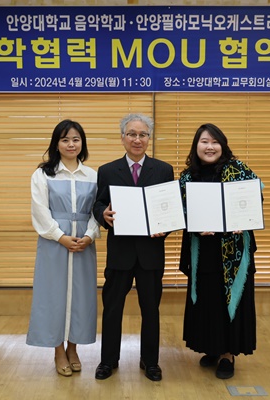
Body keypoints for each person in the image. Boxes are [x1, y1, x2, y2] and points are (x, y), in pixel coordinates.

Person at [92, 113, 174, 382]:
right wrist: (103, 214)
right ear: (122, 138)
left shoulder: (163, 170)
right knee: (112, 308)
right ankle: (108, 360)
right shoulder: (107, 170)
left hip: (151, 252)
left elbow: (170, 208)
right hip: (120, 252)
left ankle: (150, 361)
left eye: (142, 134)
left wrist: (166, 227)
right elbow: (98, 203)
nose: (137, 139)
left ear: (149, 138)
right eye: (132, 134)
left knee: (151, 310)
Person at [178, 123, 261, 380]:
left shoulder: (238, 169)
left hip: (233, 251)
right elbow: (180, 211)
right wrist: (193, 225)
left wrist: (242, 220)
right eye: (204, 141)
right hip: (202, 249)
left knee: (229, 301)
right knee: (208, 300)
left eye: (215, 142)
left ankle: (227, 354)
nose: (210, 147)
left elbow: (255, 198)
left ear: (223, 145)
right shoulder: (188, 177)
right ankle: (212, 347)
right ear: (196, 146)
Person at [26, 119, 100, 377]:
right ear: (56, 143)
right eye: (65, 139)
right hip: (54, 244)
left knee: (81, 297)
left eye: (76, 139)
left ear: (82, 143)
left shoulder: (92, 175)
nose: (71, 144)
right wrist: (60, 237)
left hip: (83, 245)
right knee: (53, 295)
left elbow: (97, 210)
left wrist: (89, 236)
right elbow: (40, 211)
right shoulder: (43, 174)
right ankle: (58, 350)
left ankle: (73, 348)